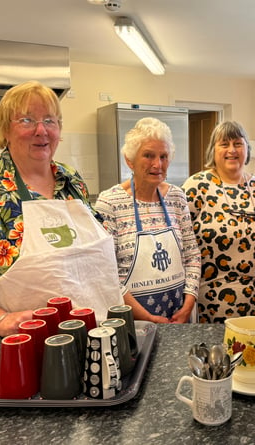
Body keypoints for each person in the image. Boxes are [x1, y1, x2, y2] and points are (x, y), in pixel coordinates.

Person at [0, 80, 123, 336]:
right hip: (16, 346)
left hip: (92, 334)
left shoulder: (70, 181)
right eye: (26, 120)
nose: (41, 130)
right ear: (5, 130)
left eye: (50, 120)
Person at [95, 117, 200, 324]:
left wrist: (188, 306)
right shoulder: (110, 203)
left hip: (179, 316)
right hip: (134, 321)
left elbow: (192, 255)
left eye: (163, 156)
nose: (157, 164)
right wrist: (147, 317)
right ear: (130, 160)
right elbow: (105, 272)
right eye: (148, 155)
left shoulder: (177, 197)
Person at [183, 121, 255, 323]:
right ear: (213, 150)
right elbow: (182, 246)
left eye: (238, 143)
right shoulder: (196, 187)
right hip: (210, 307)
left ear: (248, 149)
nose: (232, 150)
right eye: (224, 144)